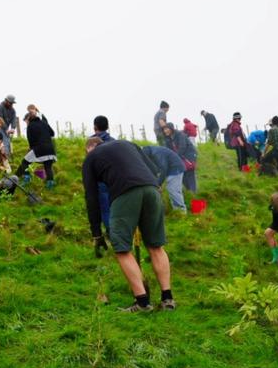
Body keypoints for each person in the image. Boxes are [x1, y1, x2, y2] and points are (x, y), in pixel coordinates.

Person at [82, 138, 174, 312]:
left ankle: (142, 302)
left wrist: (97, 233)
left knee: (122, 249)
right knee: (156, 246)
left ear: (89, 148)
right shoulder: (127, 144)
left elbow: (91, 197)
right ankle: (167, 299)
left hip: (124, 194)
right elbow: (154, 169)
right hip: (152, 190)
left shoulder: (90, 158)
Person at [15, 104, 56, 188]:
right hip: (51, 149)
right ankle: (50, 185)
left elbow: (31, 141)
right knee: (48, 166)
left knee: (25, 162)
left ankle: (25, 178)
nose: (26, 123)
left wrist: (31, 149)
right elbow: (52, 133)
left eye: (26, 121)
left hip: (39, 149)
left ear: (28, 119)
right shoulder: (44, 123)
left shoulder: (30, 126)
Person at [142, 144, 186, 212]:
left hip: (176, 168)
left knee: (173, 190)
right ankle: (177, 211)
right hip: (170, 169)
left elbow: (163, 169)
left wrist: (158, 184)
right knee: (172, 190)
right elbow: (155, 169)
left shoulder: (157, 153)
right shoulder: (151, 152)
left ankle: (181, 211)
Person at [163, 122, 198, 194]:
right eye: (164, 129)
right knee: (182, 175)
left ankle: (194, 193)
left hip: (188, 157)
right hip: (179, 158)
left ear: (171, 128)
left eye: (167, 129)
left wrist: (175, 158)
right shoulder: (167, 139)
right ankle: (189, 192)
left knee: (190, 175)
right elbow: (168, 150)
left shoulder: (180, 134)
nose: (165, 131)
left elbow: (182, 147)